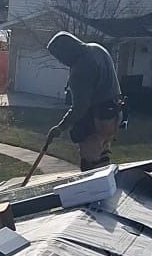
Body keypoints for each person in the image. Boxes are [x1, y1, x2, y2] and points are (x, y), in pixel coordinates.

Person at [47, 32, 123, 172]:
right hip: (114, 115)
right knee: (103, 151)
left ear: (66, 51)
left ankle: (94, 190)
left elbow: (80, 108)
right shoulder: (97, 48)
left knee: (91, 162)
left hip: (97, 121)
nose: (61, 61)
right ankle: (106, 186)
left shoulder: (80, 69)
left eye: (59, 56)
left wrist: (60, 127)